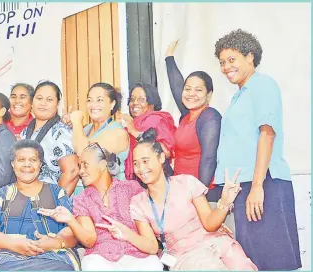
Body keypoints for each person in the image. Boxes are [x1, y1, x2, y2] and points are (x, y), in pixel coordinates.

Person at [213, 29, 300, 270]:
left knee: (271, 262)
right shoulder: (240, 94)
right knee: (253, 261)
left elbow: (267, 134)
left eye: (232, 60)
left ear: (250, 57)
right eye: (222, 62)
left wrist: (258, 187)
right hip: (248, 186)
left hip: (263, 184)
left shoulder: (262, 85)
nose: (226, 67)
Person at [122, 128, 257, 270]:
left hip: (215, 243)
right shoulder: (138, 203)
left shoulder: (186, 183)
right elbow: (151, 246)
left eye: (145, 161)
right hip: (185, 257)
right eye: (136, 163)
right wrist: (128, 235)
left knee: (240, 264)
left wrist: (224, 202)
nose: (141, 168)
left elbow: (210, 224)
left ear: (161, 158)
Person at [38, 143, 163, 271]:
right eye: (80, 166)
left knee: (154, 265)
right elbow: (89, 241)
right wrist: (70, 220)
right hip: (102, 259)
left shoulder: (131, 189)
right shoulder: (82, 199)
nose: (81, 171)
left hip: (138, 257)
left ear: (102, 165)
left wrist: (128, 234)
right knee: (91, 265)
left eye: (85, 165)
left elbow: (152, 246)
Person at [0, 140, 80, 271]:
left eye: (33, 160)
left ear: (40, 165)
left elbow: (73, 229)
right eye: (21, 159)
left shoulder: (57, 193)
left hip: (55, 258)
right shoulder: (2, 194)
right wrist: (13, 244)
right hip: (8, 258)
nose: (27, 164)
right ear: (12, 164)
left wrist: (55, 242)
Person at [165, 40, 223, 202]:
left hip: (202, 195)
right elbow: (177, 87)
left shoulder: (209, 117)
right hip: (182, 191)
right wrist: (169, 58)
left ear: (209, 95)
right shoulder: (187, 115)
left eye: (198, 90)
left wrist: (199, 196)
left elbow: (209, 159)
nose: (191, 94)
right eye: (188, 89)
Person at [70, 83, 130, 195]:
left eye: (99, 100)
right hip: (81, 195)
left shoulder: (118, 132)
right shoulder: (87, 129)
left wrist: (77, 121)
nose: (93, 105)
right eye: (89, 100)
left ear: (112, 104)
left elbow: (84, 153)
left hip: (106, 198)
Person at [20, 81, 79, 195]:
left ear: (57, 104)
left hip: (49, 204)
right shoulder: (26, 132)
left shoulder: (62, 132)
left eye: (49, 100)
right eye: (39, 98)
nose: (43, 103)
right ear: (32, 101)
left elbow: (72, 171)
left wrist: (55, 204)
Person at [120, 83, 176, 181]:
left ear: (152, 103)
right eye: (132, 99)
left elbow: (166, 152)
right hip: (137, 179)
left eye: (141, 99)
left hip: (157, 180)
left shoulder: (156, 120)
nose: (135, 103)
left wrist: (134, 132)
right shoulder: (132, 124)